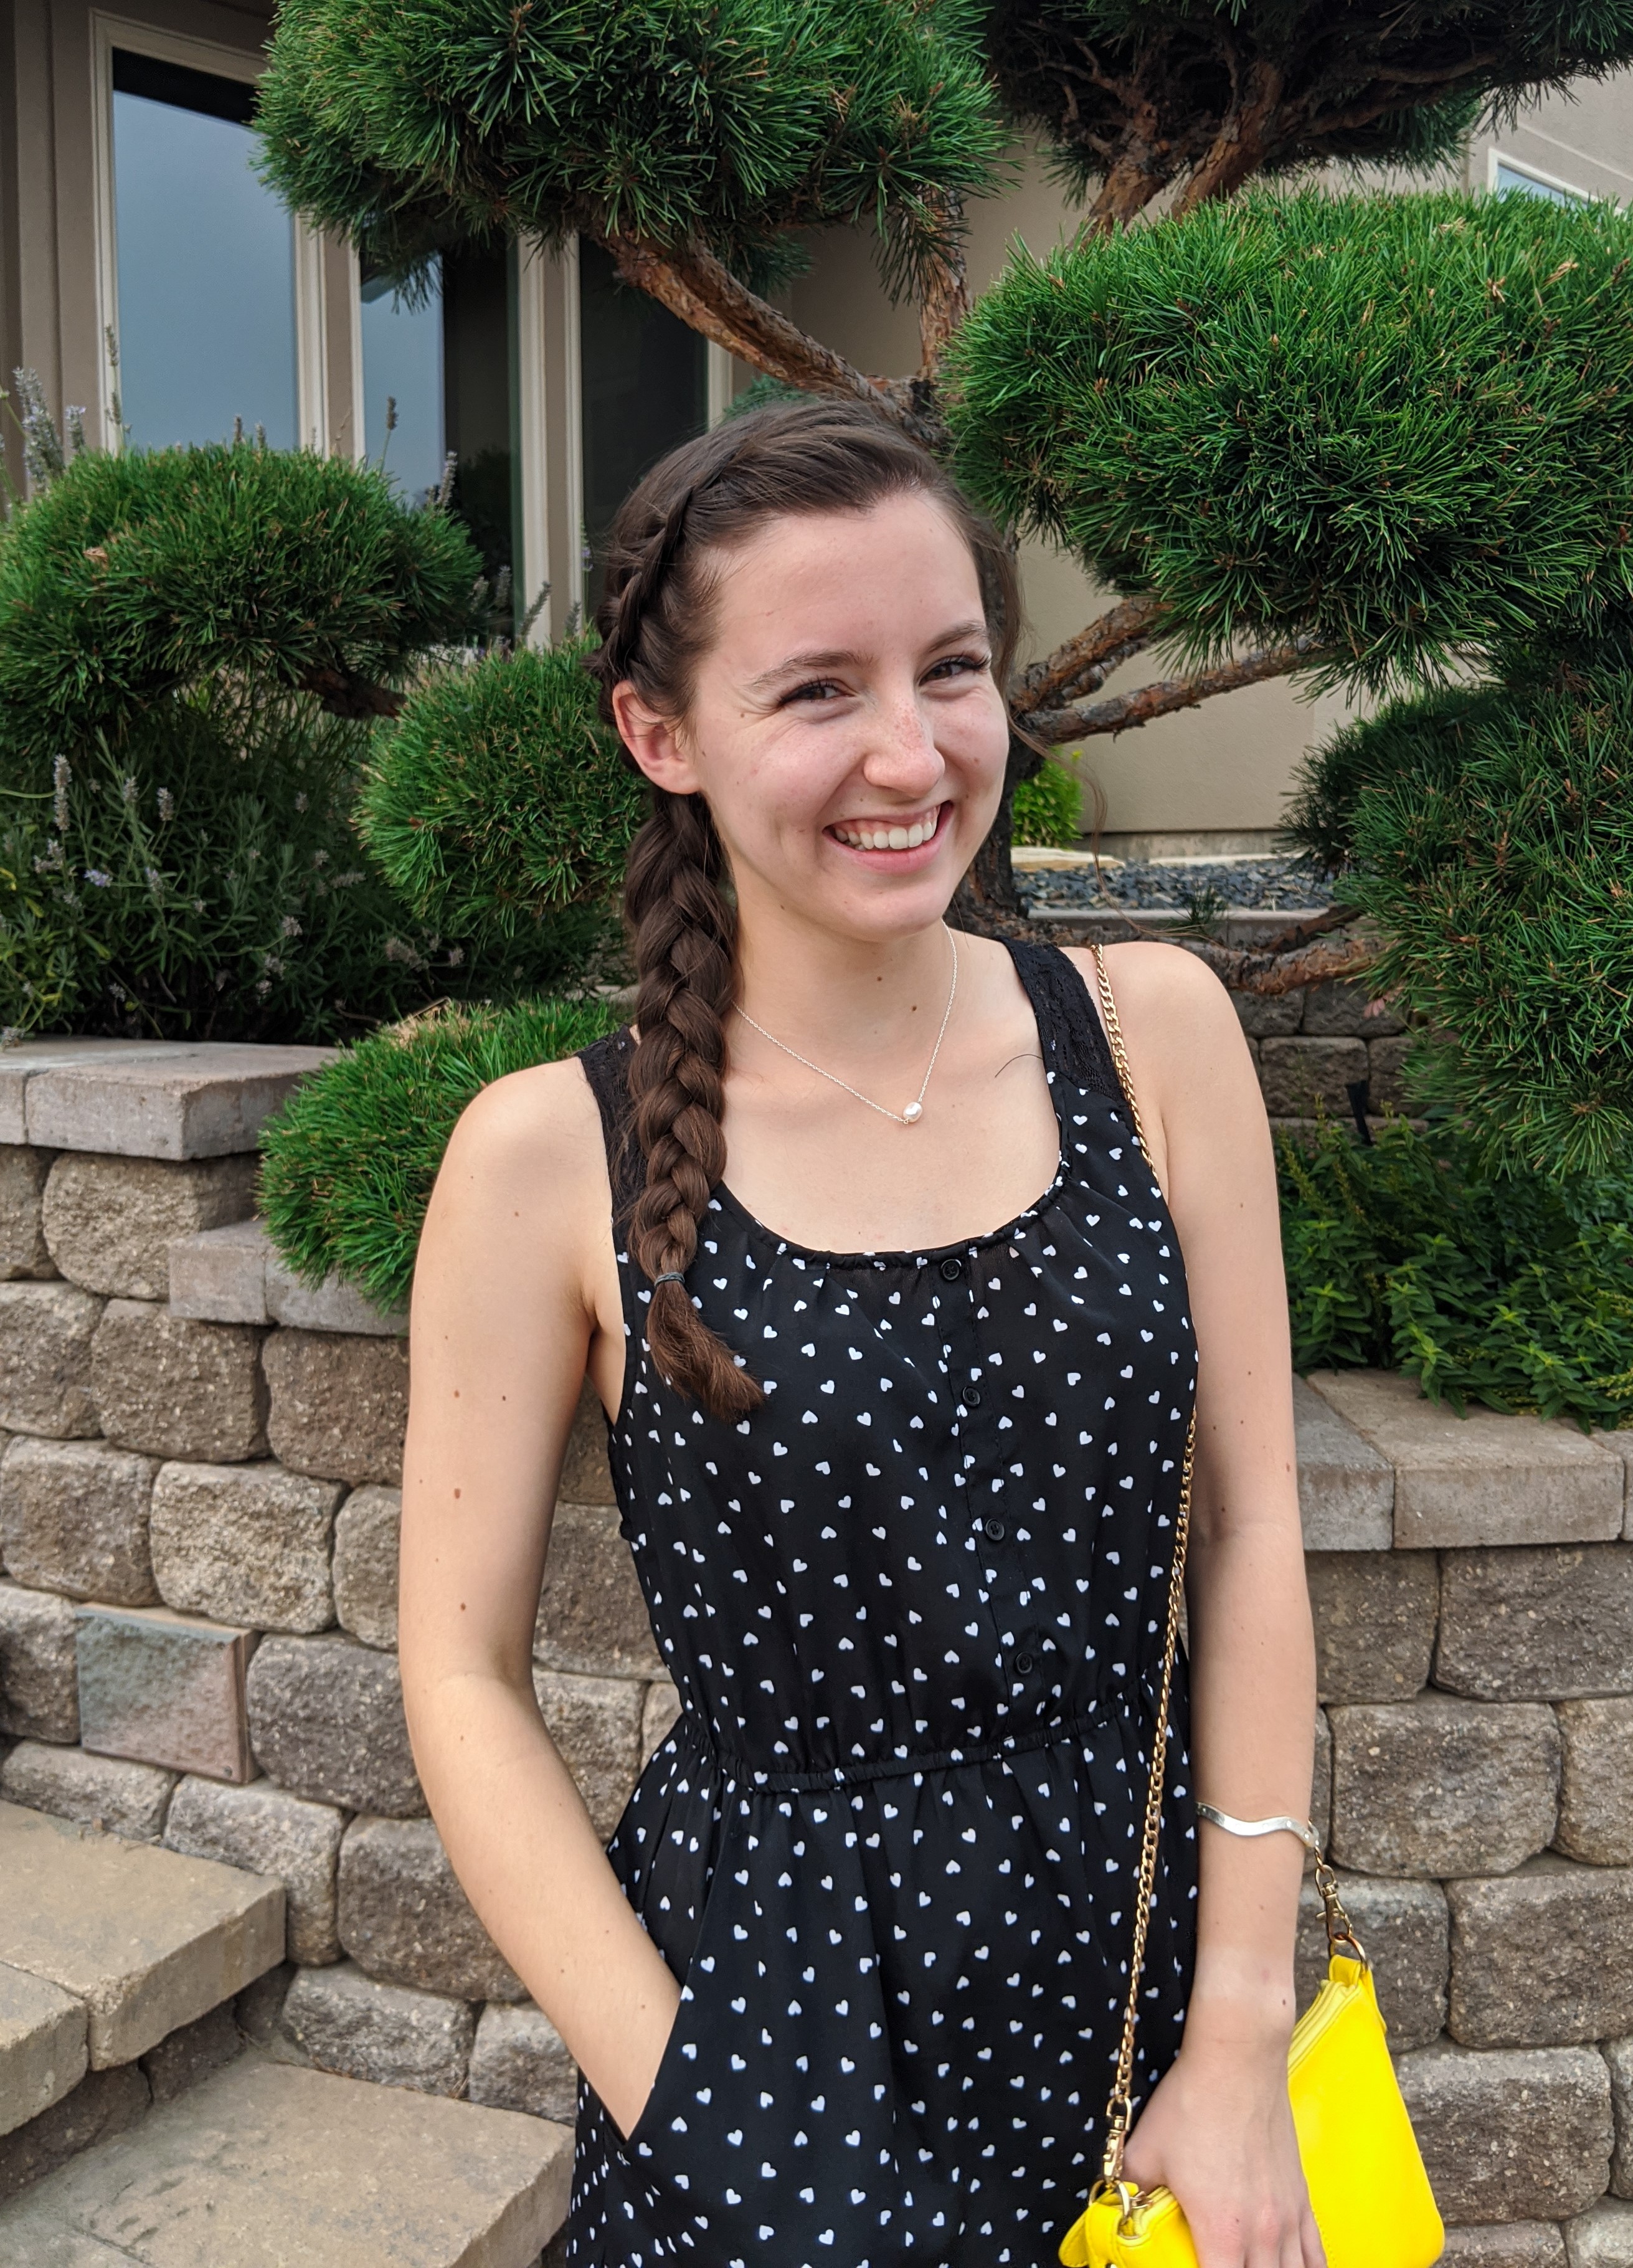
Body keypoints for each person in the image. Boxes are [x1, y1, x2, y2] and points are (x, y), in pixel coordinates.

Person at [400, 400, 1323, 2268]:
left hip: (1136, 1977)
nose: (914, 751)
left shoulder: (1154, 1039)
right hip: (763, 2025)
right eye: (818, 688)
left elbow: (1248, 1535)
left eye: (954, 668)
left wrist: (1236, 2025)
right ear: (661, 734)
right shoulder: (539, 1154)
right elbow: (460, 1669)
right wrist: (703, 2103)